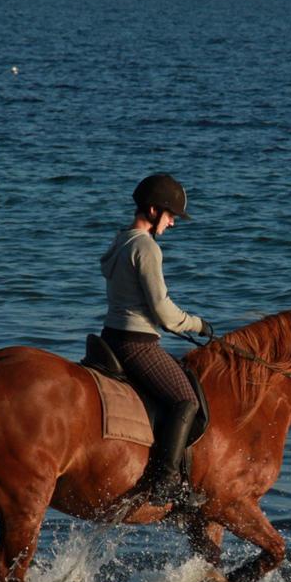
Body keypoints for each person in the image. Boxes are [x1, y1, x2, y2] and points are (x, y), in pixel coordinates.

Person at [100, 174, 214, 505]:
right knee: (186, 400)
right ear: (152, 210)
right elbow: (163, 312)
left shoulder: (120, 241)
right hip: (137, 343)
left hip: (111, 335)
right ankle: (165, 480)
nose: (172, 223)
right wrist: (197, 324)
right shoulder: (146, 247)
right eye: (170, 215)